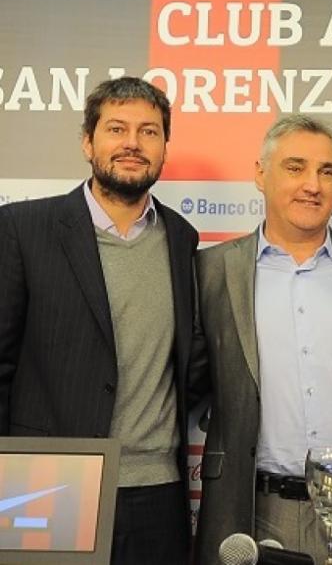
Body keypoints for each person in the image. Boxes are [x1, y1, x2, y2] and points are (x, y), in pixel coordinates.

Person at [0, 76, 200, 565]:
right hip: (47, 481)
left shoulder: (181, 237)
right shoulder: (23, 229)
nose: (133, 143)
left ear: (164, 147)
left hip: (157, 488)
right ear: (89, 142)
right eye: (117, 128)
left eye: (149, 132)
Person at [193, 115, 332, 565]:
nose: (313, 185)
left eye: (327, 171)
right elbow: (184, 381)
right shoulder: (211, 271)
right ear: (261, 175)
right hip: (252, 510)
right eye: (296, 167)